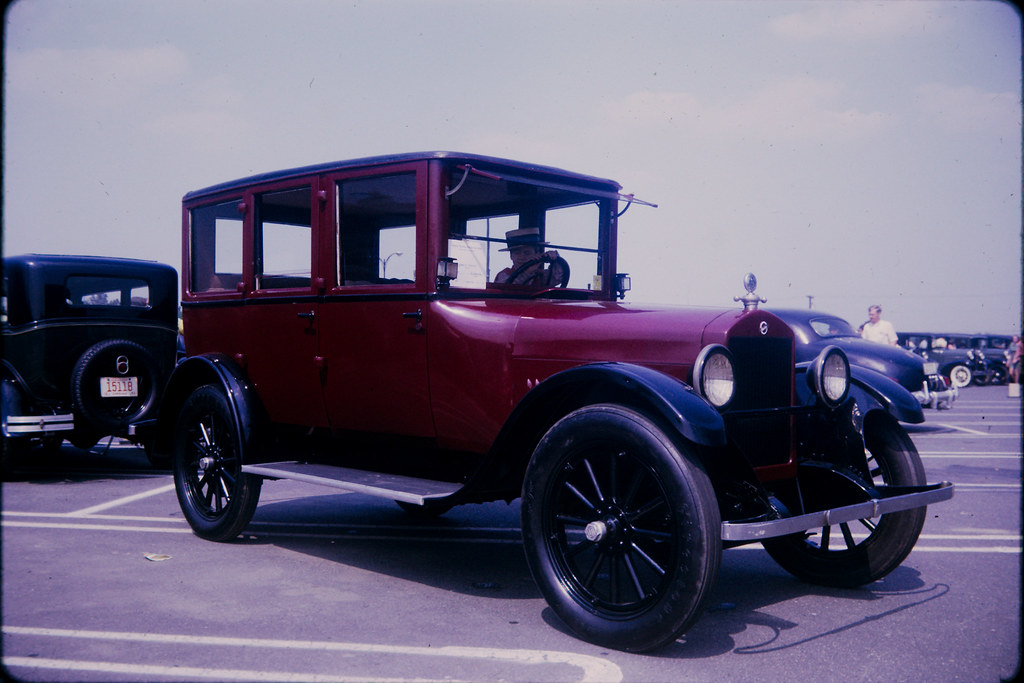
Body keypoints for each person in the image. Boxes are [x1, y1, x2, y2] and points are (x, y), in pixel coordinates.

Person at [494, 228, 568, 287]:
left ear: (537, 254)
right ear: (511, 256)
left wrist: (554, 258)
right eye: (517, 253)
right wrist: (527, 272)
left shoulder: (539, 275)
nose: (522, 257)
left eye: (527, 253)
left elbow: (557, 278)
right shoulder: (504, 275)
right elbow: (507, 289)